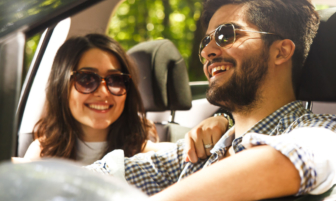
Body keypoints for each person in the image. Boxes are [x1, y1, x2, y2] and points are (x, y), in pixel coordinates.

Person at [86, 0, 336, 201]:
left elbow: (290, 159)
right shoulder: (204, 148)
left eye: (226, 35)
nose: (208, 52)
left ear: (281, 52)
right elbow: (104, 176)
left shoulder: (330, 132)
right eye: (206, 42)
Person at [24, 33, 221, 165]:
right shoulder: (41, 154)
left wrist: (222, 121)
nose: (103, 91)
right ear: (61, 86)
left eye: (115, 80)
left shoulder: (147, 153)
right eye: (86, 79)